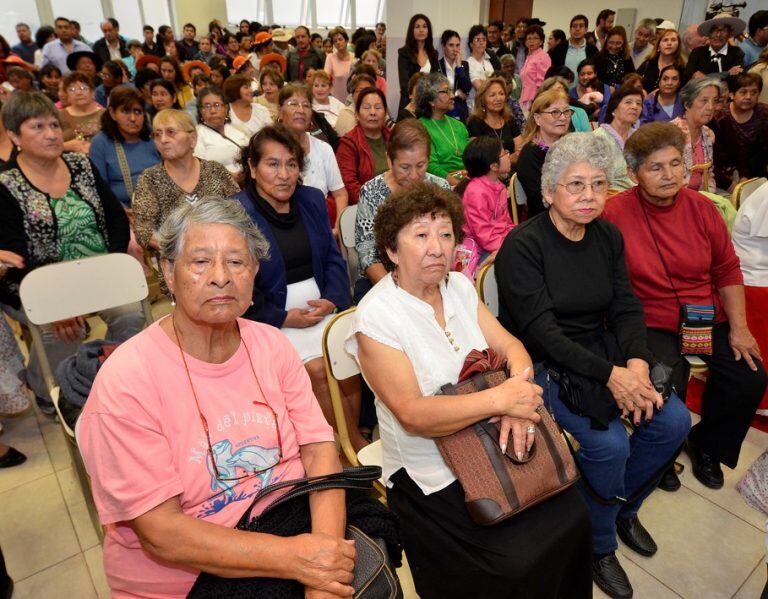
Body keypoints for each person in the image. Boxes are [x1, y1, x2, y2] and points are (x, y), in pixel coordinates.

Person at [79, 195, 356, 597]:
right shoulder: (126, 381)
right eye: (200, 261)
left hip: (291, 523)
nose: (220, 277)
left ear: (255, 272)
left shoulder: (272, 345)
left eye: (236, 261)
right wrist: (299, 559)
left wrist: (325, 558)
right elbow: (163, 533)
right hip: (188, 577)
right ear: (169, 273)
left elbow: (318, 448)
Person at [346, 180, 593, 599]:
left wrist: (516, 400)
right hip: (429, 465)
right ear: (391, 250)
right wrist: (502, 400)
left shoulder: (458, 287)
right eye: (421, 235)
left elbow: (512, 346)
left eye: (445, 234)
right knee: (513, 563)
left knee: (574, 517)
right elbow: (412, 413)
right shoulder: (377, 317)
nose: (437, 248)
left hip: (491, 433)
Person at [496, 131, 690, 599]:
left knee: (674, 423)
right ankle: (599, 544)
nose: (588, 196)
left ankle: (619, 507)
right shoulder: (522, 247)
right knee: (608, 446)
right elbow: (543, 334)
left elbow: (625, 306)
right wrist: (612, 376)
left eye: (599, 184)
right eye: (575, 184)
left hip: (602, 351)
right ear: (547, 193)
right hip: (543, 361)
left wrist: (638, 364)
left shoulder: (606, 235)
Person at [603, 121, 766, 492]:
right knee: (665, 385)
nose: (670, 175)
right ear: (633, 173)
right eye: (655, 167)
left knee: (749, 375)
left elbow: (727, 268)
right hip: (651, 321)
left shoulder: (703, 208)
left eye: (676, 163)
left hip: (703, 315)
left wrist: (739, 328)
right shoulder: (614, 214)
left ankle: (706, 444)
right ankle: (661, 452)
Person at [0, 92, 139, 414]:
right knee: (61, 329)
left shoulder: (80, 164)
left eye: (53, 124)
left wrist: (113, 268)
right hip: (35, 285)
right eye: (37, 127)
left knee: (131, 311)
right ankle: (48, 389)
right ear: (13, 135)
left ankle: (115, 379)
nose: (51, 134)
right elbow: (17, 259)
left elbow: (115, 218)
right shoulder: (6, 186)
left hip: (98, 272)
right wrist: (59, 299)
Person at [234, 126, 366, 451]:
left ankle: (349, 439)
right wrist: (282, 317)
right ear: (252, 167)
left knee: (352, 356)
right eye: (272, 164)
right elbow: (237, 287)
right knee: (319, 370)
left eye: (291, 164)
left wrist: (332, 300)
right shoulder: (237, 214)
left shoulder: (309, 200)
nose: (283, 175)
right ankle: (353, 446)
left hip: (320, 305)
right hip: (270, 317)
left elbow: (333, 258)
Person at [354, 119, 451, 299]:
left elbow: (450, 241)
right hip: (383, 281)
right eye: (405, 167)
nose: (414, 175)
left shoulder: (440, 188)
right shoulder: (371, 192)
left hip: (432, 276)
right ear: (390, 161)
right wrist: (399, 294)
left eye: (421, 165)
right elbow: (367, 254)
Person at [133, 110, 238, 250]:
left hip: (222, 249)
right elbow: (143, 232)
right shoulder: (150, 179)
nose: (163, 140)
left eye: (171, 132)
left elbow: (239, 213)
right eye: (157, 134)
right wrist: (183, 250)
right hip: (176, 260)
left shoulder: (215, 171)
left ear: (193, 139)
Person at [277, 83, 347, 225]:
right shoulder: (270, 149)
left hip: (321, 223)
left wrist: (337, 229)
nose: (301, 110)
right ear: (280, 111)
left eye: (306, 105)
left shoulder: (323, 148)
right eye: (293, 104)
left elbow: (340, 194)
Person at [90, 86, 161, 208]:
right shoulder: (101, 143)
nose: (133, 118)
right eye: (125, 111)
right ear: (112, 113)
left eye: (137, 111)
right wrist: (121, 210)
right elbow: (100, 189)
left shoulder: (153, 139)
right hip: (121, 212)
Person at [457, 136, 514, 271]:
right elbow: (483, 235)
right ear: (494, 166)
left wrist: (516, 236)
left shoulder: (498, 185)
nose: (508, 155)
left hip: (498, 242)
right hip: (479, 249)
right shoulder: (476, 192)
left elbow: (506, 222)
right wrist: (510, 245)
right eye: (504, 153)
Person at [516, 88, 571, 217]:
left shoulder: (571, 145)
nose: (563, 118)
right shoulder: (529, 154)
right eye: (555, 112)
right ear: (537, 118)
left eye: (566, 112)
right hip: (546, 218)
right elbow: (540, 200)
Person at [335, 87, 390, 205]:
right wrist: (374, 205)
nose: (373, 112)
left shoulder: (394, 139)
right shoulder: (348, 143)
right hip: (366, 207)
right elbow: (350, 185)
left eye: (378, 107)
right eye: (366, 107)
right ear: (357, 114)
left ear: (385, 113)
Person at [714, 72, 768, 191]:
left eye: (754, 93)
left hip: (758, 176)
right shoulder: (719, 117)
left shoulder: (764, 114)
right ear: (732, 95)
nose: (748, 97)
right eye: (743, 92)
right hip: (725, 179)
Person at [415, 73, 470, 187]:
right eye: (446, 92)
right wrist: (459, 186)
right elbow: (430, 166)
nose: (452, 96)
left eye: (451, 91)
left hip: (467, 180)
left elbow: (470, 157)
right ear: (430, 100)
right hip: (440, 186)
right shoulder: (420, 127)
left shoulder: (458, 125)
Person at [671, 77, 719, 193]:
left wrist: (708, 199)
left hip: (700, 197)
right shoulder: (670, 133)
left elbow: (709, 176)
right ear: (687, 104)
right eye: (704, 101)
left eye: (715, 101)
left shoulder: (708, 134)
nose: (711, 107)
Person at [194, 86, 249, 180]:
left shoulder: (237, 130)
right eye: (207, 106)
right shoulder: (197, 135)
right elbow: (198, 168)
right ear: (200, 111)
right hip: (216, 187)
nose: (213, 111)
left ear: (226, 108)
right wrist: (228, 176)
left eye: (217, 105)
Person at [593, 84, 642, 190]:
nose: (635, 106)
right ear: (614, 109)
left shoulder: (641, 138)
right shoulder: (598, 138)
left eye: (639, 103)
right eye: (628, 102)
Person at [466, 76, 521, 157]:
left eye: (501, 94)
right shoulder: (475, 122)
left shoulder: (509, 119)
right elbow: (478, 157)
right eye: (492, 95)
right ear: (482, 99)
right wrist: (508, 160)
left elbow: (519, 149)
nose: (498, 98)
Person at [397, 15, 440, 112]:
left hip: (429, 106)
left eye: (424, 27)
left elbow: (436, 80)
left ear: (428, 31)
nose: (421, 30)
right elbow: (405, 86)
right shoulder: (404, 53)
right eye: (417, 27)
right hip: (410, 105)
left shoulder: (433, 54)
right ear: (411, 30)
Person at [686, 13, 746, 80]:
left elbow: (738, 78)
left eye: (723, 30)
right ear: (709, 33)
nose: (718, 35)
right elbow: (689, 77)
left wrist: (704, 78)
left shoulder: (736, 53)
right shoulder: (698, 52)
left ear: (730, 34)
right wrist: (727, 74)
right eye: (714, 30)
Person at [58, 72, 105, 155]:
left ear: (92, 93)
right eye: (72, 90)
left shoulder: (106, 114)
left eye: (83, 88)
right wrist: (65, 146)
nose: (78, 93)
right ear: (67, 95)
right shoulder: (59, 116)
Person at [223, 74, 271, 139]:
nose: (251, 90)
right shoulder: (224, 112)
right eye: (246, 87)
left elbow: (271, 135)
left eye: (250, 87)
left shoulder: (261, 110)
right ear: (234, 90)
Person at [637, 29, 686, 94]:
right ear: (658, 46)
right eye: (665, 40)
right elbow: (634, 83)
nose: (669, 43)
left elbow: (683, 93)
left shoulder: (681, 68)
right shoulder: (648, 63)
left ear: (678, 46)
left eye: (673, 40)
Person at [466, 25, 501, 109]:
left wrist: (485, 81)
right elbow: (480, 87)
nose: (481, 43)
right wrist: (489, 82)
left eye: (484, 40)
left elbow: (497, 83)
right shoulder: (469, 63)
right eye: (478, 40)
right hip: (475, 107)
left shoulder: (488, 61)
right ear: (471, 44)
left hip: (491, 105)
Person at [518, 24, 551, 112]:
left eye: (535, 38)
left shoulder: (543, 56)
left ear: (541, 41)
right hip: (525, 99)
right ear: (525, 41)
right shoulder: (529, 56)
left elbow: (543, 83)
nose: (531, 41)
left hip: (534, 100)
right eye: (529, 38)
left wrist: (535, 102)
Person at [324, 26, 354, 103]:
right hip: (335, 100)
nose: (338, 42)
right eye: (335, 41)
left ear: (346, 40)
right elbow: (325, 77)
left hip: (351, 99)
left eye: (340, 39)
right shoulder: (330, 57)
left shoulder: (354, 58)